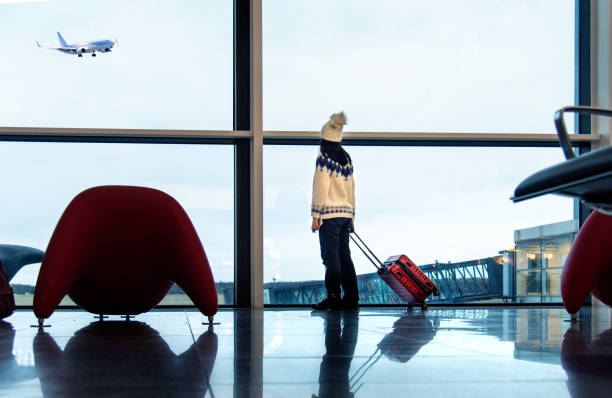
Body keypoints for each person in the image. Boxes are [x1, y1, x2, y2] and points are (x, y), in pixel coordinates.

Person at [311, 112, 358, 310]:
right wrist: (352, 216)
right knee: (344, 256)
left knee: (331, 258)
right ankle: (351, 297)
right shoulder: (346, 159)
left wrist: (316, 215)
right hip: (346, 214)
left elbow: (321, 189)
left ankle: (333, 297)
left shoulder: (324, 158)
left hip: (329, 216)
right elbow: (351, 189)